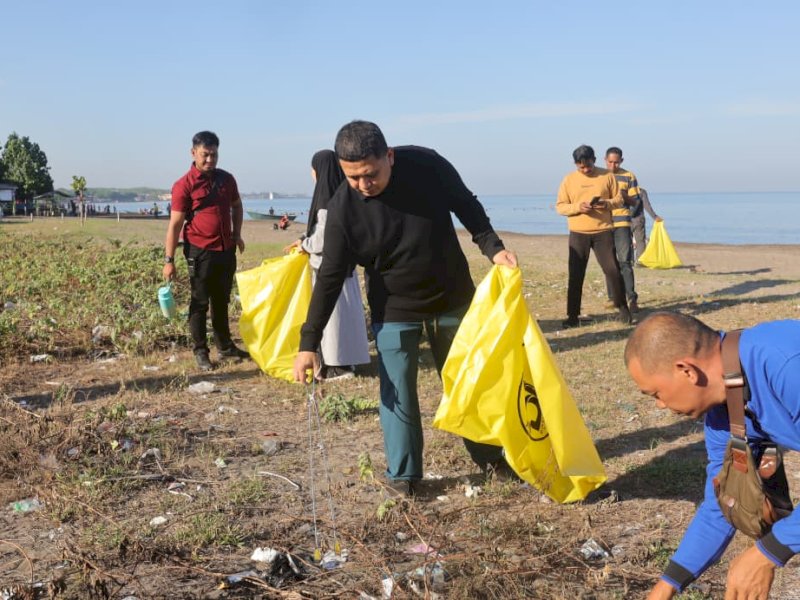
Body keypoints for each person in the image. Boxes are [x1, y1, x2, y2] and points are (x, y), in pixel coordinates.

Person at [293, 120, 518, 496]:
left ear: (390, 156)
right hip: (394, 308)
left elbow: (466, 205)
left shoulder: (427, 166)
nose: (364, 185)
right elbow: (330, 276)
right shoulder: (343, 209)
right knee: (397, 391)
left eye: (371, 174)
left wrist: (493, 248)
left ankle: (492, 458)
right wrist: (308, 343)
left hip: (452, 296)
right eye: (353, 178)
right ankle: (404, 476)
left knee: (467, 383)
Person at [624, 311, 800, 599]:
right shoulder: (725, 411)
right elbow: (723, 501)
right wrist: (667, 585)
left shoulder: (784, 363)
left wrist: (768, 552)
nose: (659, 405)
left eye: (655, 393)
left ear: (686, 370)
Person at [163, 130, 250, 371]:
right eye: (205, 155)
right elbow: (175, 225)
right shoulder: (184, 185)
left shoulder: (226, 179)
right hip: (199, 250)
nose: (210, 160)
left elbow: (237, 205)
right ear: (193, 153)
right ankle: (201, 351)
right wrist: (168, 260)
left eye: (214, 155)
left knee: (221, 300)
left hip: (225, 249)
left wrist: (237, 233)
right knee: (199, 302)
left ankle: (225, 347)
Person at [284, 150, 370, 381]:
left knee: (333, 320)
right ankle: (349, 360)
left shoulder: (325, 198)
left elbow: (323, 237)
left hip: (329, 269)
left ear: (319, 171)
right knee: (346, 318)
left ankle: (336, 366)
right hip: (346, 267)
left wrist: (305, 244)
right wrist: (304, 238)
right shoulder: (346, 195)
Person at [555, 145, 631, 328]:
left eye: (588, 165)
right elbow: (560, 207)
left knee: (613, 270)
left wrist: (606, 204)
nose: (586, 170)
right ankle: (572, 316)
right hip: (578, 234)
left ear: (594, 160)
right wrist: (578, 207)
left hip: (603, 232)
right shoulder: (568, 180)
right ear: (576, 164)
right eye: (581, 167)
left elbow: (619, 199)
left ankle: (623, 309)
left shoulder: (607, 176)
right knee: (576, 275)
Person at [604, 147, 641, 313]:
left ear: (622, 161)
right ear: (605, 160)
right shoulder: (599, 176)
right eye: (610, 162)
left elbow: (636, 202)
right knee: (609, 263)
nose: (613, 165)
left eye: (616, 162)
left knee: (625, 261)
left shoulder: (629, 176)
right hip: (604, 224)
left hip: (622, 224)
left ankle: (632, 298)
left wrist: (622, 195)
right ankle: (613, 298)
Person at [632, 187, 662, 263]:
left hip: (624, 219)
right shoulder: (641, 191)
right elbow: (647, 206)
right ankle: (640, 261)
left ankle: (628, 261)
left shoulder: (623, 190)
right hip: (638, 220)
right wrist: (654, 217)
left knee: (625, 241)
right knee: (640, 242)